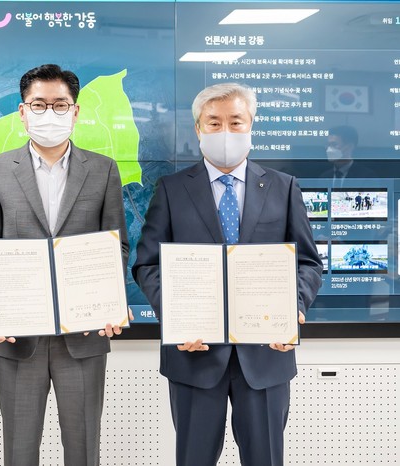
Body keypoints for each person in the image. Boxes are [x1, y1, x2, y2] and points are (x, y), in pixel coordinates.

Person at [132, 83, 322, 466]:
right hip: (194, 355)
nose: (225, 132)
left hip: (266, 355)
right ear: (198, 129)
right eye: (214, 123)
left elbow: (308, 263)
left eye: (235, 122)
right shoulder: (171, 189)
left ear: (251, 125)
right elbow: (147, 264)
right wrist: (177, 318)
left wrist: (294, 307)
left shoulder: (283, 187)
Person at [0, 64, 130, 466]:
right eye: (39, 104)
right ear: (22, 112)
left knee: (83, 450)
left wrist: (110, 299)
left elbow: (116, 245)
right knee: (19, 452)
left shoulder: (103, 170)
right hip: (18, 335)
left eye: (60, 105)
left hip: (83, 335)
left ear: (75, 112)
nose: (49, 113)